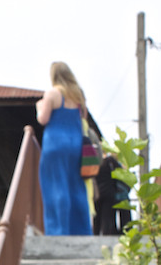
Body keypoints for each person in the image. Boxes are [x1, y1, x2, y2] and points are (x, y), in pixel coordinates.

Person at [36, 62, 93, 236]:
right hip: (76, 144)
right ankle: (82, 231)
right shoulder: (78, 96)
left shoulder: (53, 93)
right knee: (76, 186)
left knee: (56, 186)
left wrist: (39, 107)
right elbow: (83, 117)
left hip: (55, 143)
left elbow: (43, 119)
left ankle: (58, 231)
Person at [94, 153, 131, 235]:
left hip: (97, 194)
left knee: (97, 218)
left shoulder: (95, 162)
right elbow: (120, 173)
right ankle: (109, 236)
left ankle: (95, 235)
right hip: (109, 194)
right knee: (108, 218)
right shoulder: (110, 161)